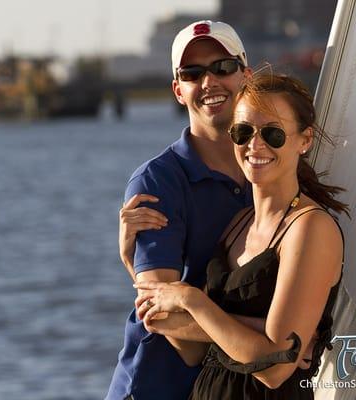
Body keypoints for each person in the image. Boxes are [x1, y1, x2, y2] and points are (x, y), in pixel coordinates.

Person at [133, 72, 349, 398]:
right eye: (243, 131)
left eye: (273, 133)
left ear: (304, 140)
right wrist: (256, 333)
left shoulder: (309, 229)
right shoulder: (238, 224)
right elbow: (178, 337)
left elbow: (275, 366)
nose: (255, 144)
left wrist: (192, 301)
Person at [105, 20, 257, 400]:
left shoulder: (273, 165)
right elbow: (164, 320)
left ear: (246, 74)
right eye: (193, 73)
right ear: (178, 90)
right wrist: (267, 338)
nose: (210, 82)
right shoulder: (156, 184)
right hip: (156, 388)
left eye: (222, 67)